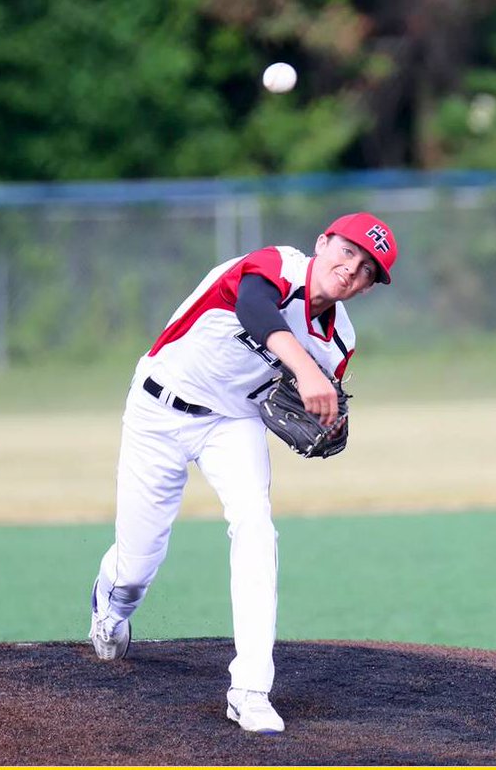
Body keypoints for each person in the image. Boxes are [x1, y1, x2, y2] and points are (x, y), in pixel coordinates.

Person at [88, 212, 398, 734]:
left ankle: (250, 689)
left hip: (232, 424)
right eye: (346, 252)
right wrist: (303, 368)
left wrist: (327, 421)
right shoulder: (277, 265)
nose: (351, 269)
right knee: (137, 566)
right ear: (321, 243)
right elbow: (254, 309)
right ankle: (111, 605)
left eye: (367, 269)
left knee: (256, 528)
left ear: (367, 288)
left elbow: (304, 402)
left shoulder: (338, 344)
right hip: (159, 409)